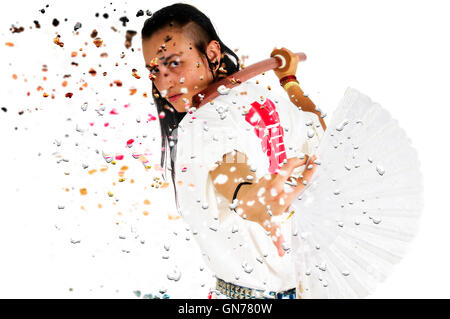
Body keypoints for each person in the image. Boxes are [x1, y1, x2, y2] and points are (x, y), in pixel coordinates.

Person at [141, 3, 324, 299]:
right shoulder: (264, 97)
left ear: (211, 54)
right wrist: (289, 81)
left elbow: (239, 187)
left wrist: (255, 200)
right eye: (154, 70)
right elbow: (317, 126)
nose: (164, 83)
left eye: (174, 63)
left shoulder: (200, 123)